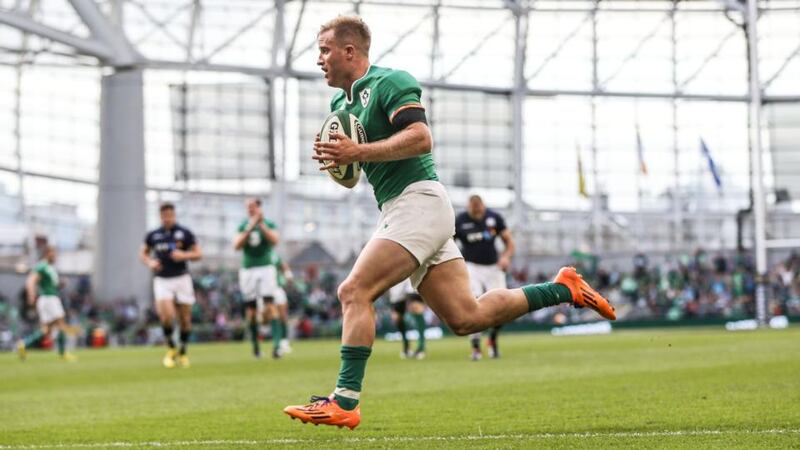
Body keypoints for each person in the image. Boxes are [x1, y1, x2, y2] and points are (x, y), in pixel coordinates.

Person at [283, 15, 615, 430]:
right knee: (467, 318)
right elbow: (356, 173)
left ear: (350, 51)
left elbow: (421, 138)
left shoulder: (390, 82)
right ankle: (562, 288)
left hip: (418, 202)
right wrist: (342, 162)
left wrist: (358, 153)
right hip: (404, 209)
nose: (319, 60)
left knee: (353, 290)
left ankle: (344, 401)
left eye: (324, 50)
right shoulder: (339, 105)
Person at [140, 203, 202, 368]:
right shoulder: (153, 235)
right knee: (166, 316)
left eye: (170, 215)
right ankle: (171, 347)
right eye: (164, 215)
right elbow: (143, 254)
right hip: (162, 279)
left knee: (185, 319)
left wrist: (184, 255)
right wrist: (150, 262)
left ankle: (182, 351)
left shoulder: (185, 233)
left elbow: (198, 254)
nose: (167, 218)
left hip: (182, 278)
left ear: (174, 215)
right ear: (161, 216)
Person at [454, 195, 514, 360]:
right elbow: (449, 244)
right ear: (468, 207)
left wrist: (506, 257)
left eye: (479, 207)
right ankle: (475, 347)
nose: (476, 210)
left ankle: (493, 339)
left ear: (483, 205)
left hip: (493, 267)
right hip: (471, 266)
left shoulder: (494, 218)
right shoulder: (460, 220)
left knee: (502, 304)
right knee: (474, 303)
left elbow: (509, 242)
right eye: (473, 208)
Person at [233, 198, 283, 359]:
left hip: (265, 267)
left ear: (260, 208)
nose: (251, 210)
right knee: (251, 310)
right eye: (248, 207)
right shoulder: (243, 225)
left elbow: (275, 241)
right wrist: (250, 227)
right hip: (248, 269)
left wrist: (260, 225)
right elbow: (237, 245)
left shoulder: (269, 224)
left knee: (270, 305)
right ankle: (255, 347)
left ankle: (276, 346)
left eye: (253, 207)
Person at [16, 245, 76, 361]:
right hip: (49, 299)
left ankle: (24, 344)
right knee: (61, 324)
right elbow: (31, 280)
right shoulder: (42, 266)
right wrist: (31, 295)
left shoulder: (50, 267)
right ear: (47, 253)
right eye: (53, 253)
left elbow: (53, 285)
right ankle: (62, 354)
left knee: (47, 330)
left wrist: (61, 284)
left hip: (50, 298)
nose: (55, 256)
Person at [387, 278, 427, 359]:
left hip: (412, 271)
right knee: (397, 317)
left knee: (416, 306)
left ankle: (421, 347)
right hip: (397, 274)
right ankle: (406, 347)